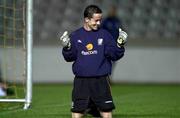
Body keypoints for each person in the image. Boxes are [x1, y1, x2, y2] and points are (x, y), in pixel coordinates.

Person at [59, 5, 127, 118]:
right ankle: (89, 109)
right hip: (81, 82)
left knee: (106, 113)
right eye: (96, 20)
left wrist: (119, 44)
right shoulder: (75, 36)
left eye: (100, 20)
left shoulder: (104, 35)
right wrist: (67, 47)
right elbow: (69, 57)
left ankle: (93, 109)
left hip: (101, 81)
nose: (99, 23)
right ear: (87, 19)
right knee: (77, 113)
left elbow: (114, 55)